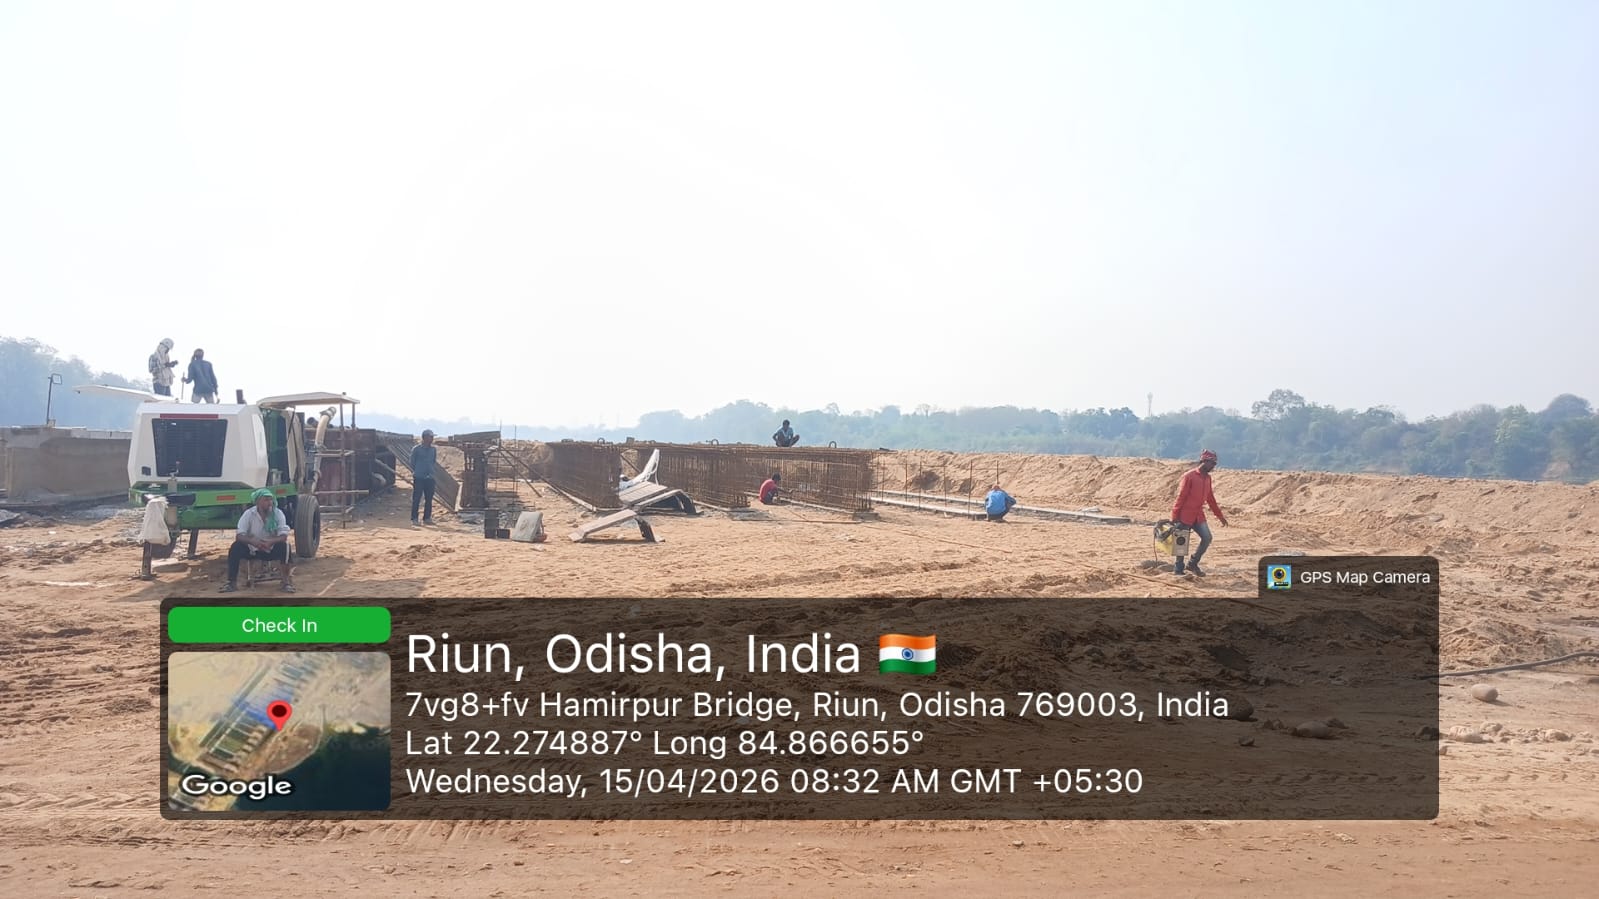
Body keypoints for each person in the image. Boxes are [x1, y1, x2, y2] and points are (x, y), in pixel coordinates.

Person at [221, 488, 293, 593]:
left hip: (271, 548)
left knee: (285, 547)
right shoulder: (249, 514)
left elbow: (283, 535)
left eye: (271, 499)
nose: (270, 502)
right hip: (252, 549)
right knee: (235, 547)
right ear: (258, 502)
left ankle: (286, 583)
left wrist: (270, 542)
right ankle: (231, 583)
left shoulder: (277, 513)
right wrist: (253, 542)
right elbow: (239, 535)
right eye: (266, 500)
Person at [1170, 449, 1229, 577]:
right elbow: (1181, 496)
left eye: (1214, 464)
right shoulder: (1189, 476)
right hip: (1185, 514)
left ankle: (1192, 563)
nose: (1213, 466)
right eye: (1212, 463)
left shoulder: (1208, 478)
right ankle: (1178, 569)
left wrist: (1220, 516)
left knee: (1207, 538)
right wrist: (1175, 515)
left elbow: (1211, 499)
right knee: (1181, 541)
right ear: (1204, 461)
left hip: (1198, 515)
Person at [411, 429, 438, 525]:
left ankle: (427, 518)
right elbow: (412, 462)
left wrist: (430, 471)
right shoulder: (416, 449)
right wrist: (418, 470)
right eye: (430, 437)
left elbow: (433, 461)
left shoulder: (433, 450)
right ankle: (414, 518)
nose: (432, 439)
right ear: (424, 437)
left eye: (432, 437)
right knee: (417, 498)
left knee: (429, 499)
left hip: (430, 477)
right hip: (419, 477)